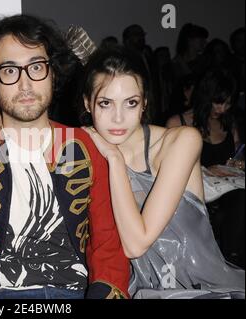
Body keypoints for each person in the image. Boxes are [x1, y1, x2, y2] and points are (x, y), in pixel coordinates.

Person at [0, 14, 129, 299]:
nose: (25, 83)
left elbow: (108, 246)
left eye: (36, 67)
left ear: (53, 72)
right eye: (9, 70)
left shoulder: (88, 145)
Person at [79, 46, 244, 298]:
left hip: (200, 287)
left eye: (131, 103)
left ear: (144, 103)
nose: (118, 118)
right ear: (87, 104)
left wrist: (114, 158)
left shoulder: (181, 140)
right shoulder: (84, 147)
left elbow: (136, 244)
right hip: (130, 287)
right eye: (105, 103)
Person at [166, 68, 245, 269]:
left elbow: (236, 156)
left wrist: (238, 164)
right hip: (191, 198)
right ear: (206, 97)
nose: (223, 108)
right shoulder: (178, 123)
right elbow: (165, 168)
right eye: (219, 102)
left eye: (228, 103)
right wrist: (203, 169)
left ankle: (232, 262)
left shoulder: (229, 123)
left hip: (226, 194)